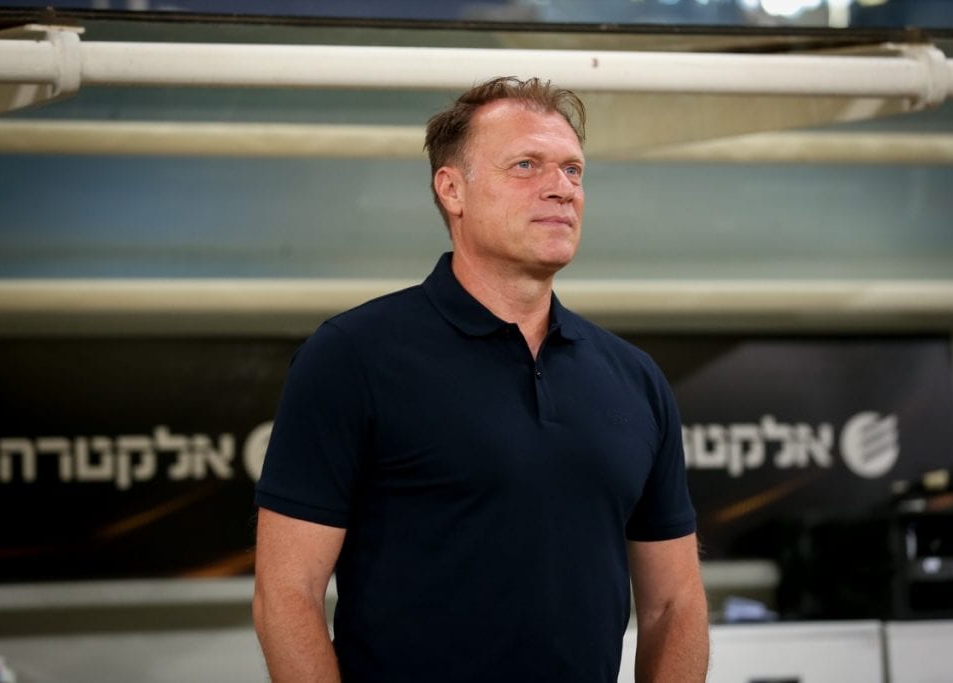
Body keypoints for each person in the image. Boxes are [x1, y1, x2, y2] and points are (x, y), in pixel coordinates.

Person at [252, 76, 709, 683]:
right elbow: (286, 596)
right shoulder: (352, 356)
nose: (562, 188)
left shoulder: (635, 378)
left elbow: (674, 604)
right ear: (452, 189)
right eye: (526, 165)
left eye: (573, 170)